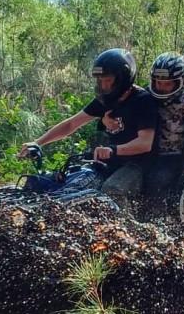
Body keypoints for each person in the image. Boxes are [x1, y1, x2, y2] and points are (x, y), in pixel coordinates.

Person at [18, 48, 158, 204]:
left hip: (137, 165)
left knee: (112, 190)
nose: (104, 86)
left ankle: (123, 227)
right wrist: (38, 142)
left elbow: (145, 143)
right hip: (108, 164)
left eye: (108, 80)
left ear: (123, 78)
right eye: (100, 80)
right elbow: (72, 124)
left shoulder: (143, 101)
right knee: (62, 188)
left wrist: (113, 150)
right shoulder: (105, 100)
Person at [103, 52, 184, 198]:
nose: (160, 87)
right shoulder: (143, 97)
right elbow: (122, 116)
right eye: (157, 82)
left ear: (181, 81)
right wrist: (107, 122)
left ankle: (157, 218)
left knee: (157, 182)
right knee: (110, 178)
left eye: (167, 83)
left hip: (175, 157)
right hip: (141, 154)